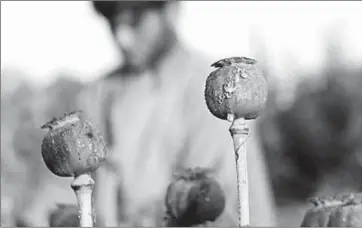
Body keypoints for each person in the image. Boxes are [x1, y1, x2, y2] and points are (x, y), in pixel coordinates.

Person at [77, 1, 277, 226]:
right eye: (113, 22)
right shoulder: (97, 96)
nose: (122, 37)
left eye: (135, 20)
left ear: (170, 10)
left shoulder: (218, 89)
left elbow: (215, 204)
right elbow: (63, 191)